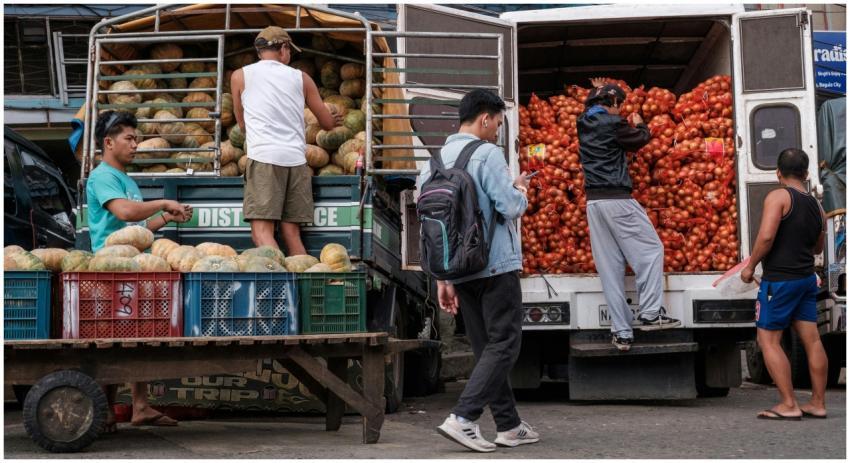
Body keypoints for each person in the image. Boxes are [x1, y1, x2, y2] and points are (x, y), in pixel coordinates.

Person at [419, 89, 538, 452]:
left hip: (457, 268)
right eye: (498, 123)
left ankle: (509, 425)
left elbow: (430, 222)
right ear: (484, 119)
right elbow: (510, 207)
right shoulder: (488, 155)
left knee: (488, 346)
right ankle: (464, 418)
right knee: (504, 343)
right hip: (494, 264)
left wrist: (444, 278)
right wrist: (521, 190)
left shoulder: (432, 162)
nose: (498, 131)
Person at [87, 110, 193, 429]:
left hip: (134, 265)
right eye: (129, 139)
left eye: (137, 139)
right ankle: (106, 409)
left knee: (139, 335)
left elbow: (138, 226)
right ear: (108, 142)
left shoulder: (127, 179)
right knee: (113, 340)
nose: (136, 145)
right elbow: (124, 210)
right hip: (111, 267)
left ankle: (140, 406)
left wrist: (167, 219)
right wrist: (162, 203)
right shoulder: (103, 175)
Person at [578, 80, 680, 352]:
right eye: (619, 105)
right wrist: (640, 122)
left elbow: (594, 104)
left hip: (594, 204)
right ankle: (650, 313)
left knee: (610, 269)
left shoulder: (583, 122)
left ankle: (622, 333)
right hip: (617, 200)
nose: (620, 110)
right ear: (612, 103)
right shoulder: (615, 124)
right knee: (651, 250)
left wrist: (599, 90)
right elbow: (640, 140)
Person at [231, 26, 341, 254]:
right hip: (297, 162)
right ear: (283, 48)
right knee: (291, 234)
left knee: (261, 234)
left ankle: (283, 283)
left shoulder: (240, 76)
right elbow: (328, 124)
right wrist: (334, 117)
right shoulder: (302, 78)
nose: (289, 56)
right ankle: (302, 282)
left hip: (263, 159)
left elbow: (241, 125)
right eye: (290, 50)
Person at [741, 148, 828, 420]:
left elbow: (766, 237)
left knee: (767, 339)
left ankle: (789, 403)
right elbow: (817, 248)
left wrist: (750, 266)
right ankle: (817, 402)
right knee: (812, 340)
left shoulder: (778, 196)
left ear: (778, 172)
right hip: (805, 279)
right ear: (806, 173)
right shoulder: (817, 206)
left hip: (780, 280)